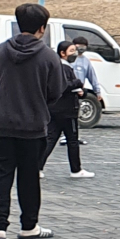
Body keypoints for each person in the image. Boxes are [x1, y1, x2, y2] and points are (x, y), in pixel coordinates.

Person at [0, 4, 78, 239]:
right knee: (29, 178)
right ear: (42, 28)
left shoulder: (1, 50)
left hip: (0, 124)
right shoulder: (48, 56)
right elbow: (56, 90)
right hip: (33, 125)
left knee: (0, 177)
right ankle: (29, 225)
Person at [39, 39, 92, 180]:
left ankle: (37, 167)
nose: (74, 54)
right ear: (62, 53)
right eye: (71, 51)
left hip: (55, 109)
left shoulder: (56, 66)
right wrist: (78, 83)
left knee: (51, 139)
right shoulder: (64, 68)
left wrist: (82, 91)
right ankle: (76, 169)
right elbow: (64, 86)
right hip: (67, 110)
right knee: (72, 140)